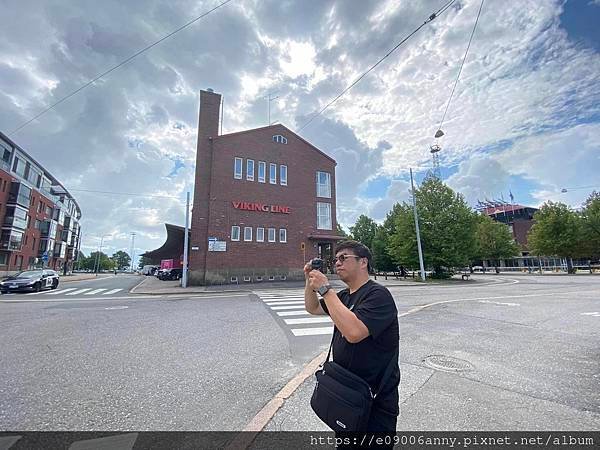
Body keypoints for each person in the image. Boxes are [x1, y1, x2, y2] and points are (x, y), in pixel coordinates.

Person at [304, 240, 400, 447]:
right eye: (335, 259)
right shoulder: (344, 296)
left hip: (374, 400)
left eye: (343, 258)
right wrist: (309, 281)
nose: (337, 263)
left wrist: (325, 289)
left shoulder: (378, 295)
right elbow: (312, 308)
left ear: (363, 262)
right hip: (347, 393)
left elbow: (354, 333)